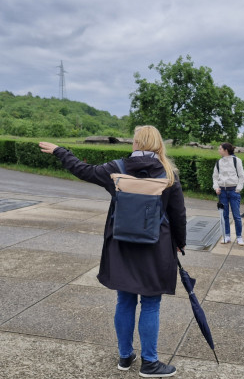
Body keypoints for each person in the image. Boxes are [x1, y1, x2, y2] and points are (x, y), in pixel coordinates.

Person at [39, 125, 186, 378]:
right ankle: (150, 362)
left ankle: (125, 356)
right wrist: (180, 242)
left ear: (136, 143)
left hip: (122, 243)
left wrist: (60, 151)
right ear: (159, 144)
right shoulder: (169, 173)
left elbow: (82, 170)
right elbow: (178, 214)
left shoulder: (116, 168)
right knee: (151, 303)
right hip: (156, 245)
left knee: (125, 299)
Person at [212, 142, 244, 245]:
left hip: (233, 191)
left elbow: (242, 176)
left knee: (236, 216)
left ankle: (239, 237)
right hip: (222, 192)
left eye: (220, 149)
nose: (219, 150)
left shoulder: (237, 161)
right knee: (224, 216)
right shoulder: (218, 162)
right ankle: (226, 236)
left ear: (226, 150)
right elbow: (215, 177)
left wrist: (238, 188)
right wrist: (216, 187)